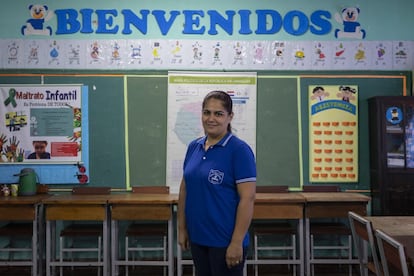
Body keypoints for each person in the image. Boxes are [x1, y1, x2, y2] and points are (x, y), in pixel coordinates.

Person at [178, 90, 256, 276]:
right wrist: (182, 229)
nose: (211, 118)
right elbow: (185, 189)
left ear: (230, 117)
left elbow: (248, 199)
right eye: (207, 112)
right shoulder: (193, 147)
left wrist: (236, 242)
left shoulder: (239, 151)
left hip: (225, 241)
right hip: (198, 238)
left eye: (218, 114)